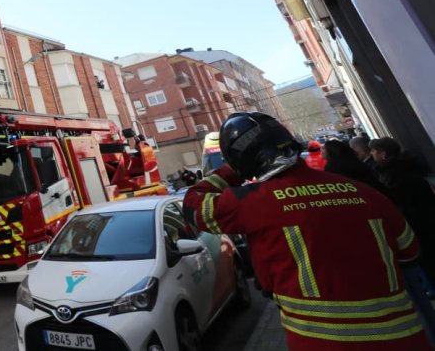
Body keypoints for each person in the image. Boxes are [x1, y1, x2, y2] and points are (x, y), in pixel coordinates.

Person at [184, 112, 431, 349]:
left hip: (323, 344)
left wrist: (233, 170)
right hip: (407, 339)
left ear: (242, 159)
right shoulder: (365, 192)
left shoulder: (251, 202)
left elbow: (193, 205)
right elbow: (410, 251)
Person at [370, 137, 435, 284]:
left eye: (373, 151)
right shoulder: (407, 167)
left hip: (417, 225)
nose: (372, 154)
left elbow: (401, 203)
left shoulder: (393, 175)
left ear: (383, 153)